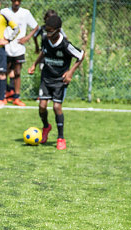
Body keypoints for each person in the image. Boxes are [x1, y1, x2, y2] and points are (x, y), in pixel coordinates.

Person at [27, 15, 84, 150]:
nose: (47, 33)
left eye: (50, 31)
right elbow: (43, 52)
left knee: (56, 107)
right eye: (46, 30)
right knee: (42, 106)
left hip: (60, 80)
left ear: (58, 30)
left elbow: (81, 55)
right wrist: (34, 64)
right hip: (46, 78)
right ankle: (46, 126)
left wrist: (70, 72)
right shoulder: (46, 40)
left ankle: (60, 138)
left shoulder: (65, 44)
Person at [1, 0, 39, 107]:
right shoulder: (4, 12)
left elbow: (36, 26)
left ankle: (16, 97)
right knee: (5, 72)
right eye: (14, 0)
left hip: (19, 49)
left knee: (17, 72)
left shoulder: (25, 13)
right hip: (7, 47)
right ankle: (4, 95)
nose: (16, 3)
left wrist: (27, 38)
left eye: (19, 1)